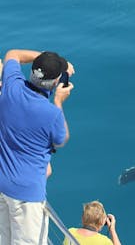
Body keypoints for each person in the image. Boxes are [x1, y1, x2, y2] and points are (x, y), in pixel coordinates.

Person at [0, 49, 74, 244]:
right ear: (56, 82)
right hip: (27, 195)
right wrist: (58, 101)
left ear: (32, 71)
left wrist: (50, 60)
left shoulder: (11, 87)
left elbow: (13, 54)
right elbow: (61, 139)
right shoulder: (52, 114)